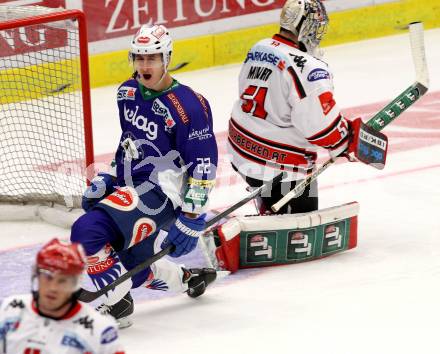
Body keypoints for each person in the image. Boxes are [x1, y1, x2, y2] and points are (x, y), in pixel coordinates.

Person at [71, 24, 218, 328]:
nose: (144, 66)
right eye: (139, 58)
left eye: (152, 58)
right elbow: (129, 142)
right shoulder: (126, 92)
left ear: (167, 58)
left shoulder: (189, 105)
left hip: (162, 193)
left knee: (87, 232)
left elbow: (203, 165)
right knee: (128, 264)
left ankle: (119, 304)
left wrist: (191, 216)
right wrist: (110, 177)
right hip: (132, 184)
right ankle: (186, 279)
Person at [227, 0, 353, 215]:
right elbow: (322, 129)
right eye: (314, 24)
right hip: (279, 168)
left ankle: (264, 195)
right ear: (302, 26)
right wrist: (347, 139)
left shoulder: (260, 47)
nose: (317, 31)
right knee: (302, 218)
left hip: (239, 149)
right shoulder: (309, 68)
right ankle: (274, 206)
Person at [0, 238, 125, 354]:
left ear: (75, 284)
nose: (53, 287)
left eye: (63, 280)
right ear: (36, 276)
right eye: (48, 277)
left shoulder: (100, 330)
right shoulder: (11, 309)